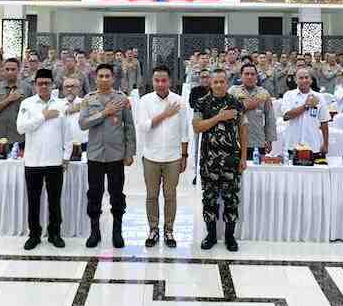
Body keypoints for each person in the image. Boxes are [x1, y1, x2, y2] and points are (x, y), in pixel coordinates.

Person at [79, 63, 136, 249]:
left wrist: (129, 153)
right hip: (95, 155)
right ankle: (94, 232)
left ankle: (117, 232)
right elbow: (83, 124)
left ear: (113, 79)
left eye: (107, 76)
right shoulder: (88, 99)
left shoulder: (122, 99)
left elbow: (129, 127)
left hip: (116, 155)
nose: (104, 79)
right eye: (101, 76)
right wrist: (104, 113)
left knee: (117, 194)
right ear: (95, 79)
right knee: (94, 194)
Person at [17, 68, 73, 250]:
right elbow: (21, 128)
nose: (43, 86)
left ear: (52, 85)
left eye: (46, 83)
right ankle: (34, 234)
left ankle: (55, 233)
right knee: (33, 200)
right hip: (33, 161)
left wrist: (66, 156)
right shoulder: (27, 103)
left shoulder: (61, 104)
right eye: (40, 83)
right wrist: (43, 116)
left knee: (54, 200)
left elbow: (67, 133)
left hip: (54, 161)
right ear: (35, 85)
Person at [192, 69, 248, 252]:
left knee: (231, 199)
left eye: (222, 82)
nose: (218, 85)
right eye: (215, 82)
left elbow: (243, 129)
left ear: (227, 83)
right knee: (209, 199)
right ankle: (211, 235)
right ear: (210, 83)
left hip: (232, 159)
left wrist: (243, 157)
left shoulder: (236, 103)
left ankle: (230, 237)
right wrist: (219, 117)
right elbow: (197, 127)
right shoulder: (202, 102)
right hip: (209, 160)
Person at [138, 65, 189, 249]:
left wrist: (184, 155)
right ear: (152, 81)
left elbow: (184, 130)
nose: (160, 84)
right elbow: (143, 126)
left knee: (170, 195)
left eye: (164, 80)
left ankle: (169, 230)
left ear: (170, 81)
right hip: (151, 156)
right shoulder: (145, 101)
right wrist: (165, 114)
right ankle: (153, 229)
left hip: (173, 157)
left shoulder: (179, 101)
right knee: (152, 195)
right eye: (157, 80)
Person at [229, 63, 276, 157]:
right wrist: (244, 106)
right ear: (241, 76)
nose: (250, 77)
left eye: (252, 74)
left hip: (257, 141)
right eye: (246, 74)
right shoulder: (233, 92)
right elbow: (227, 113)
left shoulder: (264, 93)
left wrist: (269, 140)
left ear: (256, 76)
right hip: (236, 142)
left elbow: (270, 118)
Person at [282, 68, 330, 155]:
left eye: (306, 77)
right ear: (296, 80)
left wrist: (326, 144)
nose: (304, 80)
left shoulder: (319, 97)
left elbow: (324, 122)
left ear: (311, 80)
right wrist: (305, 106)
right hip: (293, 145)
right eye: (301, 78)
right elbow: (286, 116)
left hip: (313, 145)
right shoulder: (289, 95)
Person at [0, 58, 32, 145]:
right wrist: (9, 99)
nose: (10, 72)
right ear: (3, 70)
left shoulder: (27, 88)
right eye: (7, 69)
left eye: (13, 69)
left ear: (19, 70)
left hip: (20, 135)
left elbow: (32, 111)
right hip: (0, 135)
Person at [55, 77, 87, 152]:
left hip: (84, 148)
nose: (69, 89)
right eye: (66, 87)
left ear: (79, 89)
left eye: (73, 86)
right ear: (63, 90)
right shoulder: (56, 105)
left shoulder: (86, 103)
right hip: (62, 149)